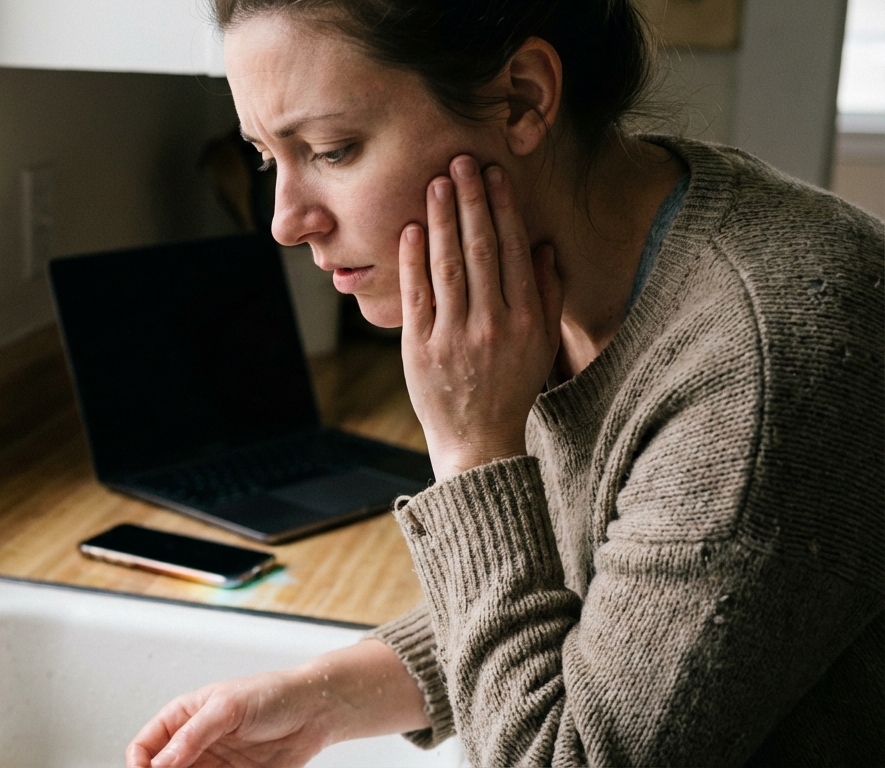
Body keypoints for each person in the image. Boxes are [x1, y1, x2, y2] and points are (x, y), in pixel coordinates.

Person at [126, 1, 885, 766]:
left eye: (332, 148)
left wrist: (471, 447)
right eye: (266, 158)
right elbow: (613, 616)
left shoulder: (761, 356)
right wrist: (319, 700)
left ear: (521, 97)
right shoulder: (556, 276)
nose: (287, 221)